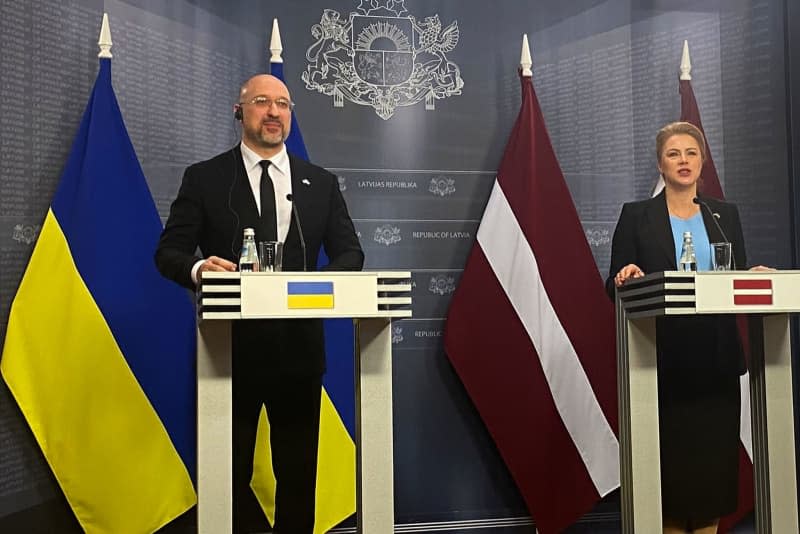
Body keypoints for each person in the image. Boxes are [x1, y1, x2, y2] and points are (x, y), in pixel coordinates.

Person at [155, 74, 364, 534]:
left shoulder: (321, 183)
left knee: (297, 478)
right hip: (230, 355)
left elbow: (351, 253)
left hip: (299, 353)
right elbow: (168, 252)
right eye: (262, 102)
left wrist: (320, 285)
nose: (274, 112)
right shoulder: (206, 178)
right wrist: (199, 270)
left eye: (283, 104)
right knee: (227, 477)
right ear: (239, 111)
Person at [606, 122, 751, 534]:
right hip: (663, 370)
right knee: (670, 486)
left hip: (716, 368)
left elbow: (735, 280)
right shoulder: (637, 216)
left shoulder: (724, 215)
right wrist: (626, 275)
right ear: (660, 163)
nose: (683, 161)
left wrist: (753, 276)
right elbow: (612, 283)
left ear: (702, 162)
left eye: (691, 153)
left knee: (711, 483)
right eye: (674, 154)